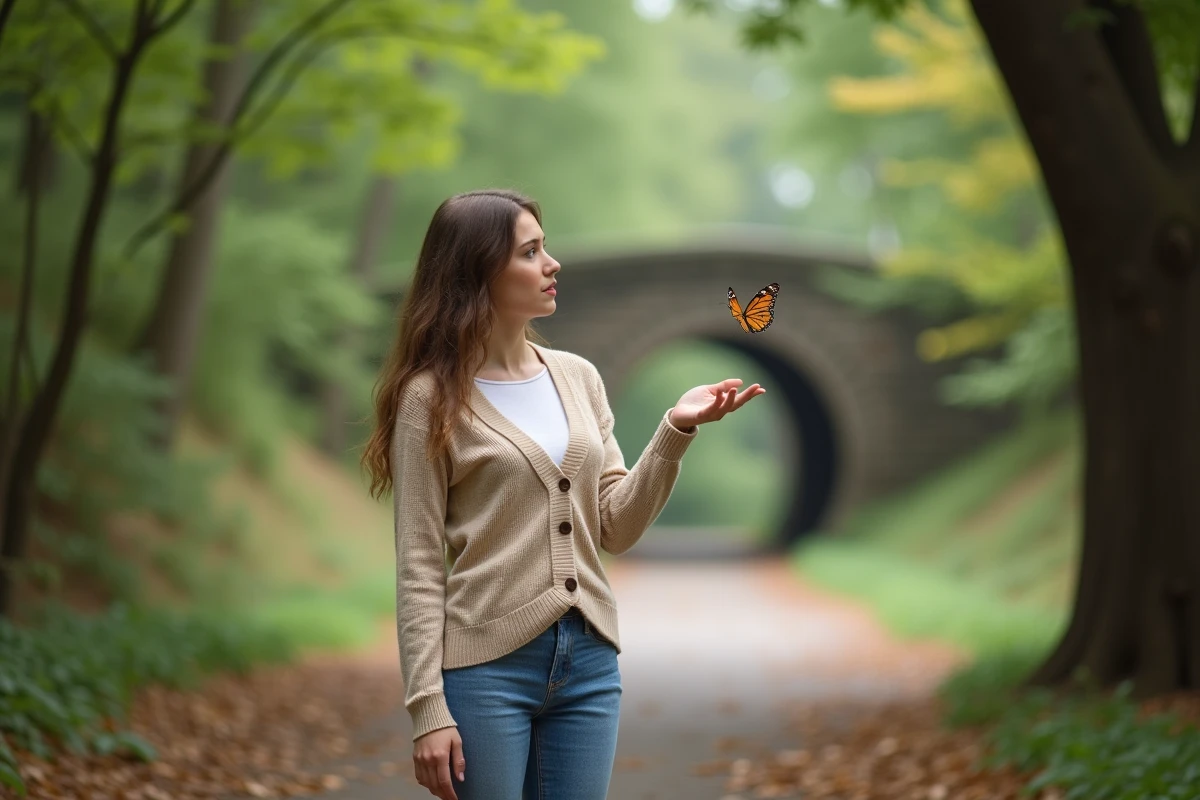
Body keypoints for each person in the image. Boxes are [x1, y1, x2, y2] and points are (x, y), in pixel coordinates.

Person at [360, 189, 765, 800]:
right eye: (530, 251)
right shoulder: (428, 398)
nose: (552, 264)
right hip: (485, 670)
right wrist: (428, 710)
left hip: (590, 666)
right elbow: (419, 565)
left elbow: (615, 528)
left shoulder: (578, 378)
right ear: (477, 272)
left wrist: (674, 431)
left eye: (544, 246)